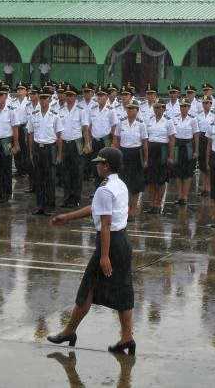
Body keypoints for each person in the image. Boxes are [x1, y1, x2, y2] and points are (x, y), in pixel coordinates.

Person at [47, 147, 136, 355]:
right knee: (123, 290)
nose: (96, 166)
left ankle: (69, 331)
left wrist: (104, 256)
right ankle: (127, 337)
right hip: (122, 241)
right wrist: (67, 217)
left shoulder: (105, 189)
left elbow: (105, 223)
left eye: (99, 163)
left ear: (106, 166)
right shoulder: (119, 184)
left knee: (87, 288)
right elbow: (96, 209)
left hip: (109, 243)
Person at [28, 86, 62, 215]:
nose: (43, 101)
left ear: (49, 100)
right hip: (38, 148)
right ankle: (40, 205)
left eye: (45, 99)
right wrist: (31, 152)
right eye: (41, 98)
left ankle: (50, 206)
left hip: (50, 148)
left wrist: (59, 154)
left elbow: (59, 136)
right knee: (39, 178)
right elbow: (30, 134)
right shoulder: (34, 115)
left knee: (50, 179)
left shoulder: (55, 115)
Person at [112, 100, 147, 219]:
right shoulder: (121, 123)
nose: (130, 110)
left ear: (137, 110)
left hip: (136, 153)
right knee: (123, 181)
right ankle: (124, 209)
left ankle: (133, 208)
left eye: (133, 108)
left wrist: (145, 159)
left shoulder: (141, 124)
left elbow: (145, 143)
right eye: (128, 108)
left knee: (135, 183)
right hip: (123, 153)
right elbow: (116, 139)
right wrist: (115, 154)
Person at [58, 84, 91, 207]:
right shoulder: (61, 110)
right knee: (65, 172)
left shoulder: (81, 110)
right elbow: (58, 130)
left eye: (71, 95)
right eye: (67, 95)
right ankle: (66, 198)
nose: (69, 97)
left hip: (76, 143)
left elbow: (85, 128)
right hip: (65, 143)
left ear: (75, 96)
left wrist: (87, 143)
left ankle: (76, 198)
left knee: (77, 172)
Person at [0, 83, 19, 203]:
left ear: (6, 96)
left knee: (6, 168)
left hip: (6, 141)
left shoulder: (11, 110)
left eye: (1, 95)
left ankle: (6, 192)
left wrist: (16, 144)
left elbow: (15, 128)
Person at [144, 99, 175, 213]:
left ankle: (158, 203)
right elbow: (146, 137)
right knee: (151, 179)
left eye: (159, 107)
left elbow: (172, 139)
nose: (157, 109)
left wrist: (170, 156)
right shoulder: (149, 120)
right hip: (151, 149)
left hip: (162, 150)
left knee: (161, 179)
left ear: (163, 108)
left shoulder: (168, 121)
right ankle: (151, 203)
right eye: (155, 107)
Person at [172, 96, 199, 206]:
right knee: (178, 173)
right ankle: (179, 196)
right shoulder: (175, 118)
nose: (183, 108)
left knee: (188, 173)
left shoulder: (193, 119)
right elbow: (172, 135)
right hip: (178, 146)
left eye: (185, 106)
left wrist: (196, 150)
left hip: (188, 146)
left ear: (189, 107)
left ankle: (185, 196)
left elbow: (196, 135)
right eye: (182, 106)